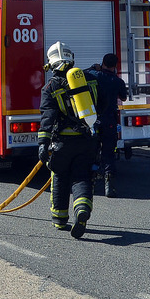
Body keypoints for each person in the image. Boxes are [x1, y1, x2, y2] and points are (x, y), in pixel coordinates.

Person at [37, 41, 98, 239]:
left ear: (51, 63)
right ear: (72, 59)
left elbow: (48, 117)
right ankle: (81, 210)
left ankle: (60, 218)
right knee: (82, 177)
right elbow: (102, 107)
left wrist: (42, 144)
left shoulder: (50, 86)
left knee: (60, 176)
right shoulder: (89, 79)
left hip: (62, 143)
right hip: (87, 140)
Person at [85, 53, 127, 198]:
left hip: (94, 121)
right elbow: (124, 97)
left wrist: (92, 67)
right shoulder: (118, 81)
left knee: (92, 151)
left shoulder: (93, 75)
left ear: (102, 63)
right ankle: (109, 186)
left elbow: (79, 74)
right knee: (109, 153)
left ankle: (90, 183)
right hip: (110, 121)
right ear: (115, 66)